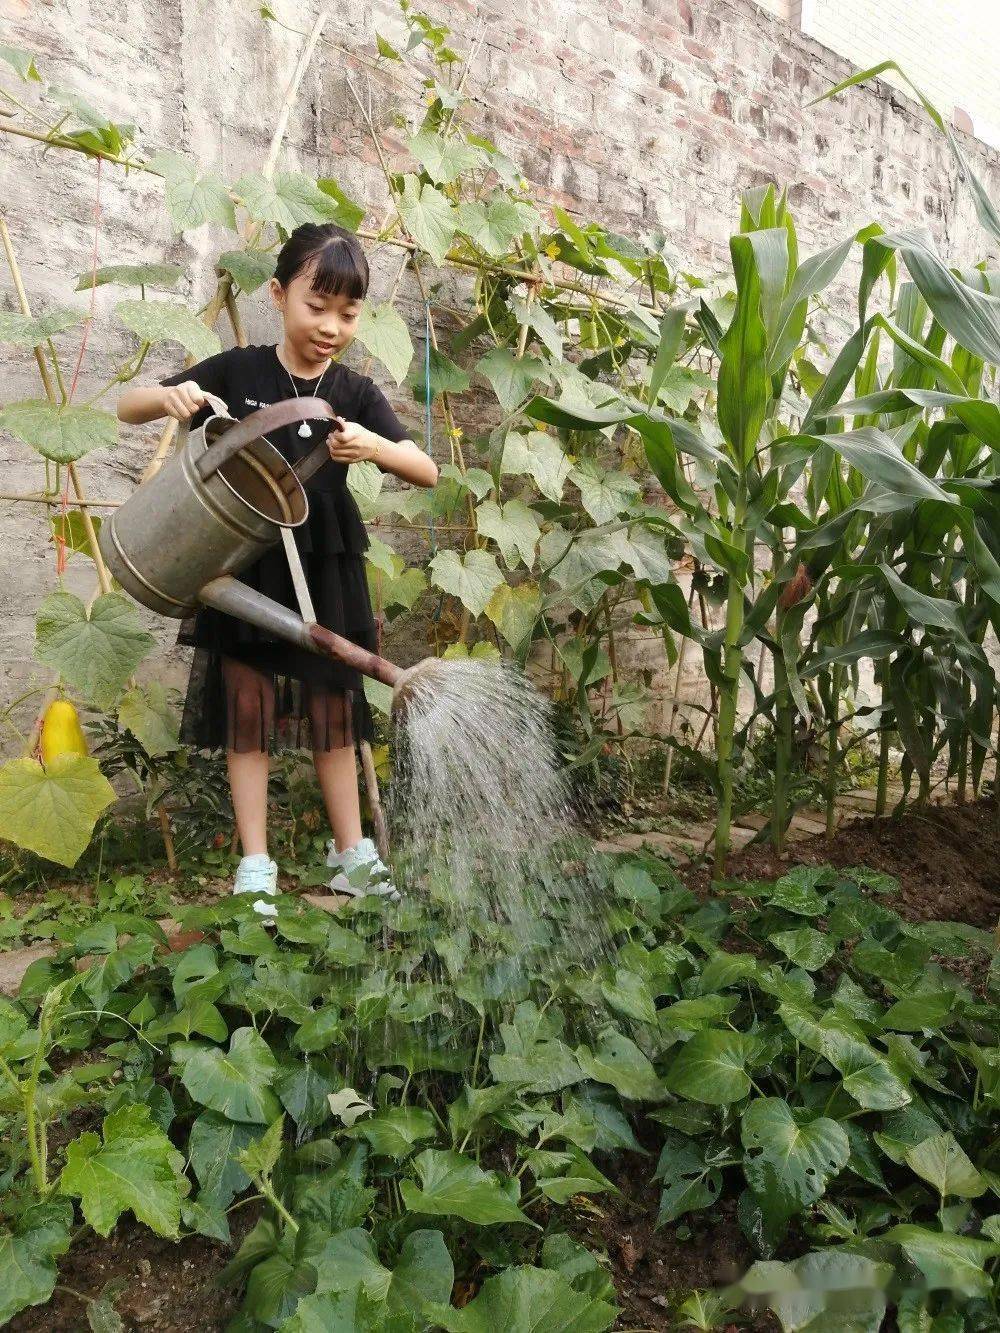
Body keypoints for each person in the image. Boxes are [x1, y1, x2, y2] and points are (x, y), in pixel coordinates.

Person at [116, 222, 438, 916]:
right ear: (278, 294)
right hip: (242, 558)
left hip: (327, 562)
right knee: (249, 707)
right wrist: (169, 398)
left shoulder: (352, 389)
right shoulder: (239, 370)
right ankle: (255, 862)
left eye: (348, 314)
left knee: (334, 707)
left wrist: (375, 445)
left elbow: (426, 469)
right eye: (315, 307)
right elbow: (127, 406)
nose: (330, 326)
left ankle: (352, 853)